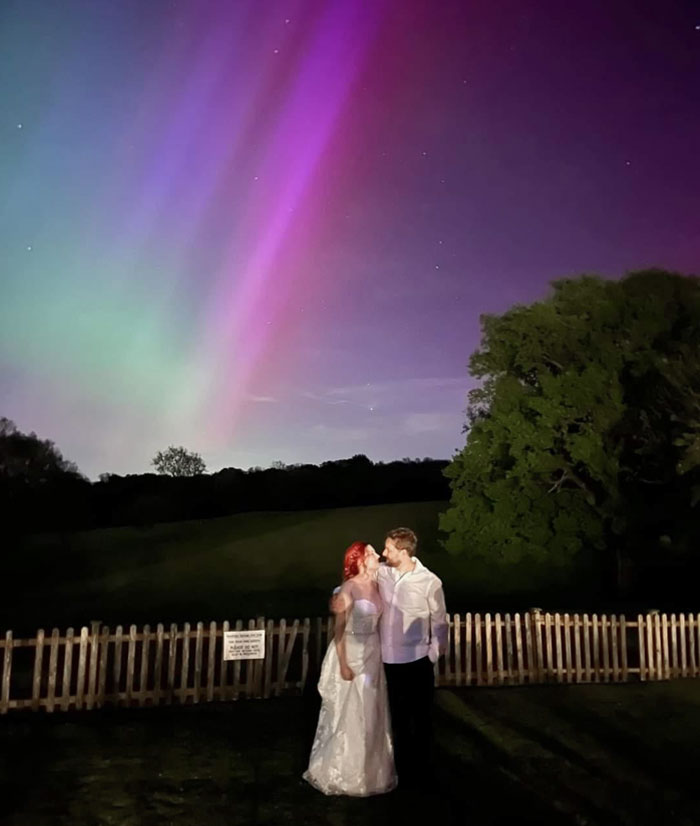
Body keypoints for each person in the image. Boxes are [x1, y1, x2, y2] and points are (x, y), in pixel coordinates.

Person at [303, 541, 397, 796]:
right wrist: (343, 664)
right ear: (358, 559)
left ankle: (373, 772)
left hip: (373, 653)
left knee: (374, 711)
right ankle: (345, 772)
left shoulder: (379, 582)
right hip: (353, 652)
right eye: (370, 552)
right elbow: (340, 630)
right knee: (353, 712)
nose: (377, 554)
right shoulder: (349, 588)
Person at [378, 527, 447, 787]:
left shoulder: (430, 581)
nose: (384, 553)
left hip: (417, 660)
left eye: (389, 549)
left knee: (422, 717)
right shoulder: (383, 572)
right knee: (396, 717)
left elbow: (440, 622)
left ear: (404, 552)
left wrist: (432, 655)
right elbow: (357, 580)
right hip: (388, 660)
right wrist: (340, 592)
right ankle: (402, 770)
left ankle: (424, 770)